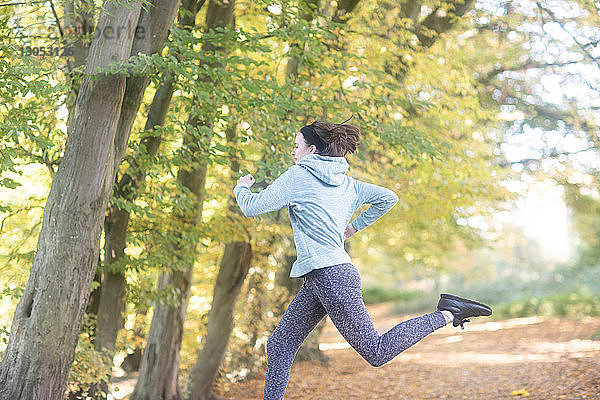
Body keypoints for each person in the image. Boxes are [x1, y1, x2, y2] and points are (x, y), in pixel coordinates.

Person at [233, 119, 492, 400]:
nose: (292, 152)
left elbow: (252, 207)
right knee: (280, 344)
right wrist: (354, 227)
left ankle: (449, 312)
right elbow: (388, 198)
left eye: (296, 146)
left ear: (311, 149)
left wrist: (241, 187)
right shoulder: (348, 184)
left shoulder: (298, 176)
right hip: (323, 277)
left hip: (331, 277)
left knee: (376, 352)